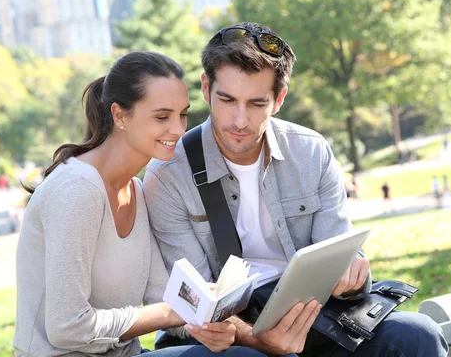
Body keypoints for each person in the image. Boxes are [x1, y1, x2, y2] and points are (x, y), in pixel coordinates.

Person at [143, 22, 447, 356]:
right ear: (205, 89)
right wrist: (258, 340)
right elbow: (193, 303)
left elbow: (340, 257)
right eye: (227, 100)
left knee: (417, 335)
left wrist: (353, 276)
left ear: (279, 99)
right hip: (229, 335)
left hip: (312, 316)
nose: (239, 120)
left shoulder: (311, 152)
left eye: (257, 103)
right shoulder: (169, 174)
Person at [14, 51, 270, 357]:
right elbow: (67, 327)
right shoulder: (77, 189)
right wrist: (169, 314)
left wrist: (205, 322)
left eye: (182, 114)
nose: (178, 129)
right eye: (162, 116)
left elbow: (160, 296)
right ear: (121, 116)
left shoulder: (136, 188)